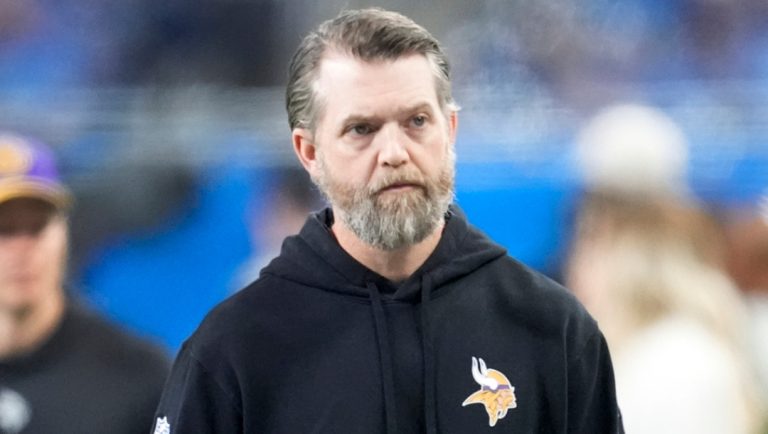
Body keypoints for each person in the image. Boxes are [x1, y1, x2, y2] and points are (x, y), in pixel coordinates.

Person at [152, 8, 624, 433]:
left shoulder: (550, 328)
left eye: (417, 121)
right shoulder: (234, 350)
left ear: (451, 130)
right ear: (309, 152)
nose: (395, 153)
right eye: (362, 129)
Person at [0, 133, 170, 434]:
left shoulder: (138, 376)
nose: (22, 249)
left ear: (63, 231)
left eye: (37, 227)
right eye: (4, 230)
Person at [565, 192, 764, 434]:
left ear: (635, 263)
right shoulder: (657, 349)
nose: (574, 269)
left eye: (592, 250)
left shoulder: (677, 361)